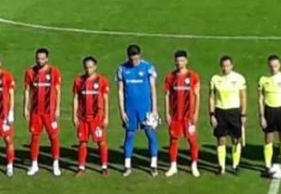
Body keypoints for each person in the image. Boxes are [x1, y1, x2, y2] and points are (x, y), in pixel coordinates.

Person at [117, 44, 160, 177]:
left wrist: (154, 109)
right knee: (129, 135)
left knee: (150, 134)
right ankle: (127, 165)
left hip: (145, 108)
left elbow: (153, 89)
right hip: (130, 109)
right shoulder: (122, 69)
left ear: (140, 56)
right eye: (132, 59)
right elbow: (120, 91)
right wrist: (122, 111)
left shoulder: (148, 68)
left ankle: (153, 165)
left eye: (136, 59)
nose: (134, 62)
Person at [24, 47, 62, 177]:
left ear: (47, 59)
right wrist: (26, 107)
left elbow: (58, 90)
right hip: (35, 111)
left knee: (53, 137)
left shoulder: (54, 72)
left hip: (49, 111)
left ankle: (55, 163)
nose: (40, 61)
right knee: (35, 137)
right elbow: (27, 90)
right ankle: (34, 164)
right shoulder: (30, 72)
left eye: (42, 59)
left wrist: (57, 108)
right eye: (38, 59)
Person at [164, 50, 200, 177]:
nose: (179, 63)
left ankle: (194, 165)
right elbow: (167, 95)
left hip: (188, 116)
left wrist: (196, 113)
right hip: (175, 116)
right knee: (173, 140)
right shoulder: (170, 77)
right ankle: (173, 165)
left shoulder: (193, 76)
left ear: (186, 61)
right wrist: (167, 113)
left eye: (182, 61)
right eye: (177, 61)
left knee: (192, 140)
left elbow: (197, 95)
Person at [258, 54, 281, 176]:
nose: (274, 68)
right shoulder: (263, 80)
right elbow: (261, 99)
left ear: (279, 66)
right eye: (272, 66)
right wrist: (262, 116)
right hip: (269, 110)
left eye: (276, 66)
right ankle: (267, 165)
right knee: (268, 138)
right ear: (268, 66)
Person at [209, 55, 247, 175]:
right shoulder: (215, 79)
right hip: (220, 111)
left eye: (228, 66)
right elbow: (211, 97)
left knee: (236, 139)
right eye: (223, 66)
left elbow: (243, 97)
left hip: (234, 111)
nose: (226, 68)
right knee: (221, 139)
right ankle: (221, 166)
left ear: (232, 65)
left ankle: (235, 165)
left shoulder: (239, 78)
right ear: (221, 67)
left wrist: (243, 113)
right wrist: (211, 114)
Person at [73, 56, 110, 176]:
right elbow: (76, 99)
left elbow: (105, 99)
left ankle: (104, 167)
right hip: (83, 118)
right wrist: (74, 115)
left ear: (95, 67)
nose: (88, 70)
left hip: (97, 118)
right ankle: (81, 167)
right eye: (86, 67)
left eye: (90, 67)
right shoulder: (78, 81)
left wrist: (106, 116)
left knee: (101, 142)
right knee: (83, 142)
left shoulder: (102, 81)